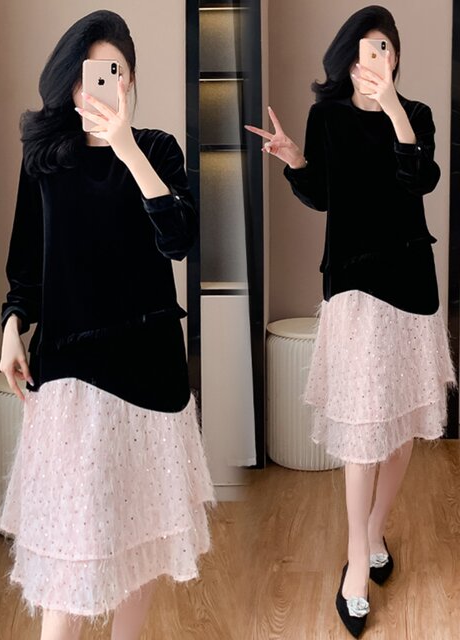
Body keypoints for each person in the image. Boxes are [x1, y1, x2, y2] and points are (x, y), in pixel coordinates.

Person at [0, 10, 215, 640]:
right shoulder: (44, 158)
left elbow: (180, 239)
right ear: (70, 79)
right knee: (72, 554)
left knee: (140, 540)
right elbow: (25, 267)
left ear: (130, 79)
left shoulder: (157, 150)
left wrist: (126, 149)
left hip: (150, 373)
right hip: (71, 374)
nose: (96, 84)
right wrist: (12, 327)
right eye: (87, 72)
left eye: (112, 71)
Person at [246, 5, 454, 637]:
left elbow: (420, 179)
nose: (376, 56)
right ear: (349, 58)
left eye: (386, 46)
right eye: (366, 47)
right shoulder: (328, 116)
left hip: (410, 285)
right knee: (364, 429)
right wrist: (294, 159)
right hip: (354, 286)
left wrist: (393, 110)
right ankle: (357, 563)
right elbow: (324, 196)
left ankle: (373, 531)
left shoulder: (415, 115)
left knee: (401, 425)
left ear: (396, 57)